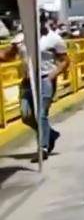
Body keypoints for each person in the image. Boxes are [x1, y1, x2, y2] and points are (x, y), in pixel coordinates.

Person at [0, 12, 69, 160]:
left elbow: (64, 60)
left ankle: (42, 148)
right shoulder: (21, 37)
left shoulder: (54, 39)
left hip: (44, 79)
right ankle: (50, 134)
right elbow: (8, 55)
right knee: (26, 115)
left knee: (41, 113)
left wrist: (51, 76)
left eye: (42, 20)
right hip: (27, 81)